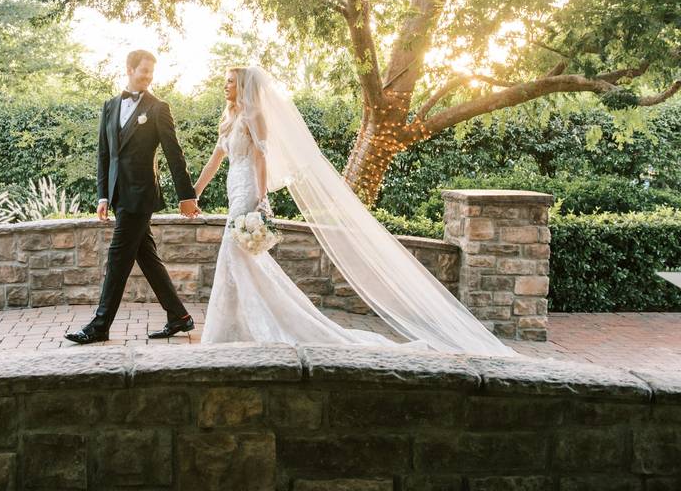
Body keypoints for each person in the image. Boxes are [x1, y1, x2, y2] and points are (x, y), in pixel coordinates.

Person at [192, 66, 517, 356]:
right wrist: (194, 193)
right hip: (234, 188)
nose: (226, 86)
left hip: (247, 189)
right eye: (225, 81)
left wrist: (261, 200)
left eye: (231, 82)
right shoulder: (229, 117)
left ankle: (239, 327)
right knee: (242, 260)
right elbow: (215, 161)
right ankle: (236, 325)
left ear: (245, 86)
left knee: (235, 254)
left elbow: (262, 157)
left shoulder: (254, 116)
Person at [64, 50, 201, 345]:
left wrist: (186, 195)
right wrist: (102, 196)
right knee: (146, 257)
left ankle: (100, 326)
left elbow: (174, 154)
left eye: (151, 73)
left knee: (117, 259)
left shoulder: (158, 108)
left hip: (140, 195)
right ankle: (179, 317)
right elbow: (104, 154)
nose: (148, 77)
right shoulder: (110, 106)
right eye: (143, 72)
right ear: (129, 69)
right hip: (117, 195)